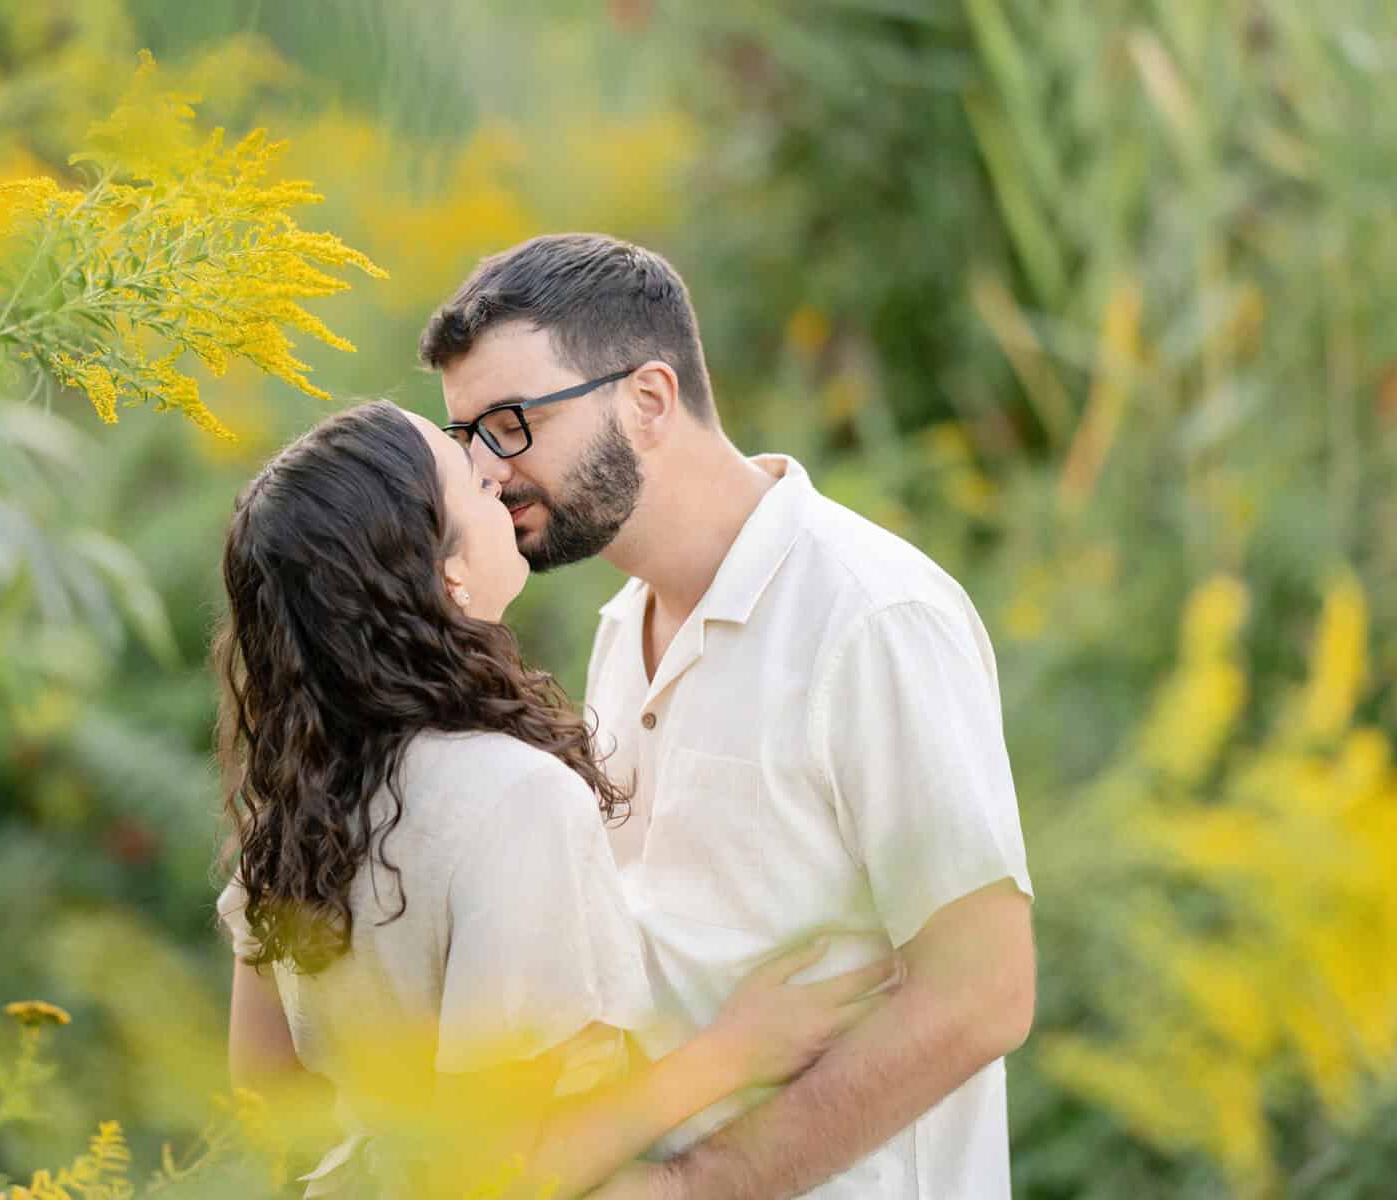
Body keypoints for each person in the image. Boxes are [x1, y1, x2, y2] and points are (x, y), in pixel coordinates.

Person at [421, 233, 1036, 1199]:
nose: (484, 471)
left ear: (650, 399)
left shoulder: (872, 616)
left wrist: (700, 1188)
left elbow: (984, 996)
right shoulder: (621, 630)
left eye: (508, 422)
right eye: (465, 436)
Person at [212, 400, 901, 1198]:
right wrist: (732, 1053)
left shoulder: (297, 807)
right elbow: (489, 1174)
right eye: (473, 480)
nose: (500, 483)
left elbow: (268, 1113)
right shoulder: (513, 798)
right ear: (447, 569)